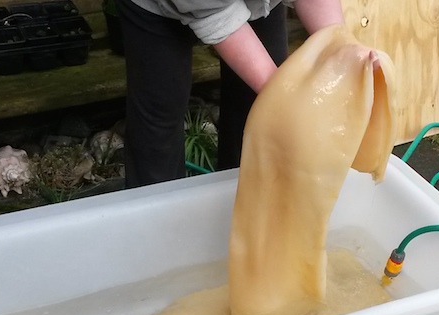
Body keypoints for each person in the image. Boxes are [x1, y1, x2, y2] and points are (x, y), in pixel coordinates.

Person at [116, 0, 347, 188]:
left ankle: (246, 210)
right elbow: (212, 12)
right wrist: (286, 97)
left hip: (258, 4)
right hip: (157, 9)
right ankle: (158, 220)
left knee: (259, 113)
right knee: (159, 121)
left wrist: (341, 50)